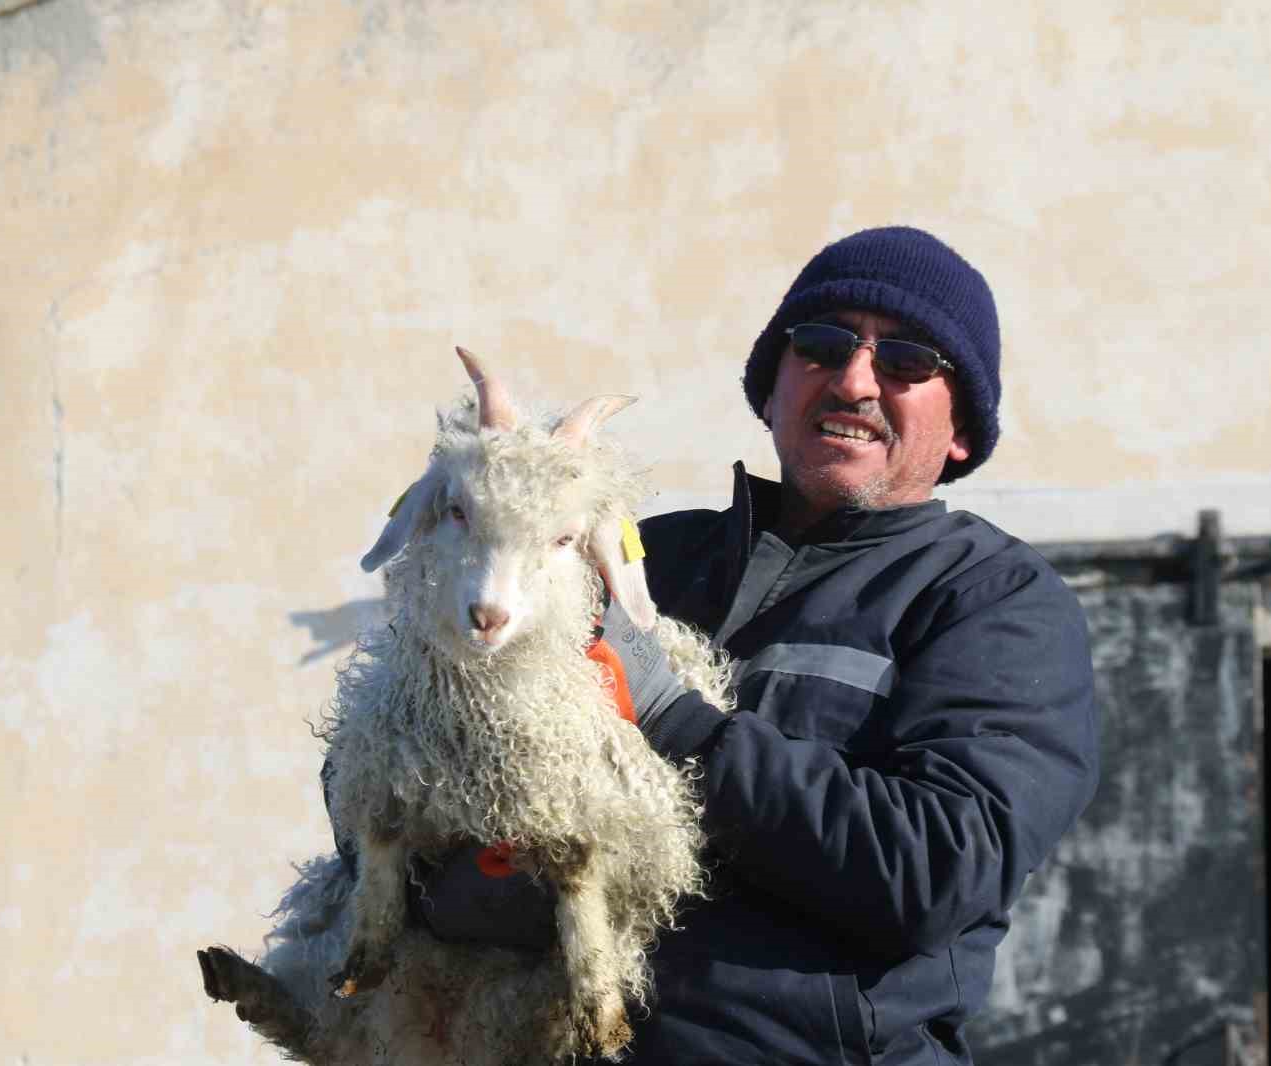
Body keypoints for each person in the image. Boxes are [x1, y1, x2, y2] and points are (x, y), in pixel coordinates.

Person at [405, 225, 1101, 1065]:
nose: (853, 381)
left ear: (963, 429)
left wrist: (676, 719)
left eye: (908, 361)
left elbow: (938, 870)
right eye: (821, 344)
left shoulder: (992, 602)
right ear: (770, 389)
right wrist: (438, 871)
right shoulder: (632, 553)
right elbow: (429, 720)